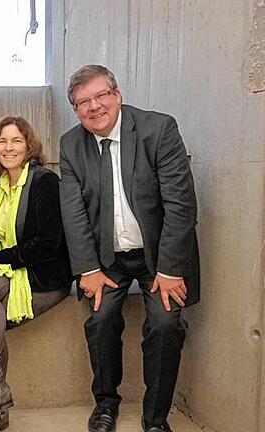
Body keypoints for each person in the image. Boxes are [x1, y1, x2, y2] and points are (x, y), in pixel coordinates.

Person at [59, 65, 200, 432]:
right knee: (101, 320)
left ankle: (155, 418)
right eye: (83, 102)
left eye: (101, 96)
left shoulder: (158, 129)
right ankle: (105, 404)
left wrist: (170, 270)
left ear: (117, 95)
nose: (94, 107)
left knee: (167, 324)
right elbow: (73, 213)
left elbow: (180, 205)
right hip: (107, 258)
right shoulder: (71, 144)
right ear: (75, 110)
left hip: (158, 255)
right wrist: (88, 269)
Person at [0, 116, 73, 432]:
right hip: (9, 270)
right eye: (2, 141)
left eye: (16, 141)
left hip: (44, 277)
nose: (8, 147)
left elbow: (48, 244)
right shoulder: (0, 184)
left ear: (29, 146)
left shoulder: (44, 181)